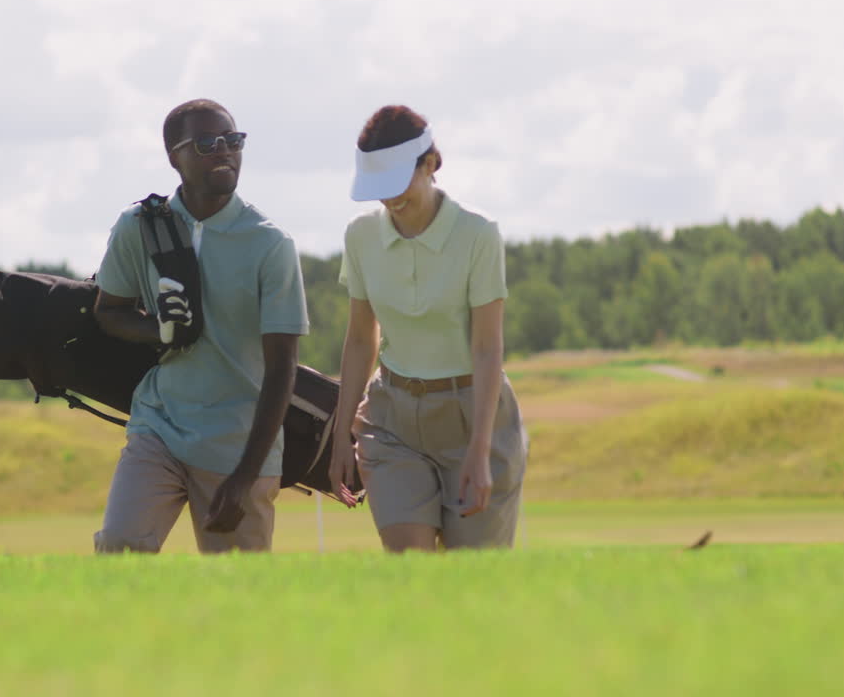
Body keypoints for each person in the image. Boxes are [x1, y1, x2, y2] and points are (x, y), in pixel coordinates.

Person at [92, 99, 309, 554]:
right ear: (175, 156)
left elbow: (282, 368)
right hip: (160, 425)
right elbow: (109, 310)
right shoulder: (140, 226)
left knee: (240, 593)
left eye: (234, 141)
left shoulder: (270, 243)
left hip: (239, 444)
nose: (225, 153)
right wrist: (160, 332)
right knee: (119, 545)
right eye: (208, 144)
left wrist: (245, 479)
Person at [327, 105, 528, 552]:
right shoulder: (360, 237)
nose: (391, 200)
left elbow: (487, 348)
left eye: (398, 185)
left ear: (431, 163)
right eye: (379, 189)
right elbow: (361, 338)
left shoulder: (478, 234)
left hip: (474, 418)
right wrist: (340, 434)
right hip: (392, 421)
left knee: (472, 585)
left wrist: (479, 450)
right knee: (409, 568)